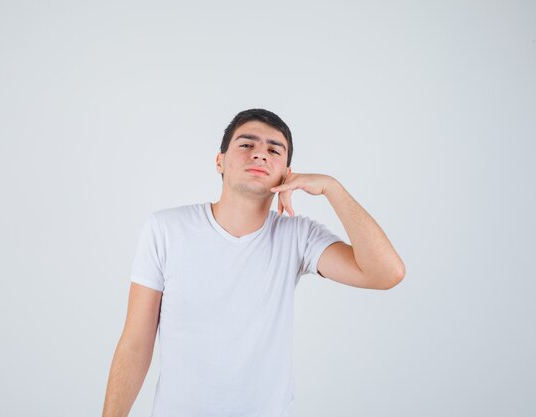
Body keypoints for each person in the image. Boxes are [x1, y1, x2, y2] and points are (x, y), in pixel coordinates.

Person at [102, 108, 406, 417]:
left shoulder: (298, 236)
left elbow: (386, 273)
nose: (260, 155)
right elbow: (135, 344)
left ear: (287, 173)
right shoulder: (166, 228)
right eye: (247, 144)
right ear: (220, 161)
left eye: (274, 150)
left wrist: (332, 188)